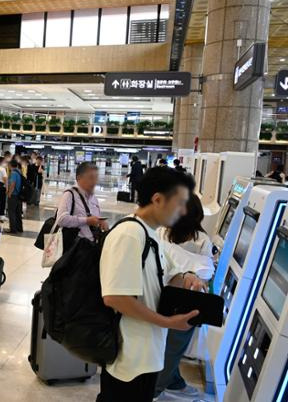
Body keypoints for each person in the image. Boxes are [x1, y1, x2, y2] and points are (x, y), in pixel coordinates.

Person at [98, 167, 206, 402]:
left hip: (146, 355)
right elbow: (116, 298)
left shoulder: (150, 233)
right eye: (179, 203)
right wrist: (168, 322)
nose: (183, 211)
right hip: (128, 360)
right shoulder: (128, 235)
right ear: (157, 199)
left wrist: (188, 276)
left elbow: (169, 273)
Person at [154, 193, 215, 400]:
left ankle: (173, 381)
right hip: (188, 301)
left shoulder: (162, 232)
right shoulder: (201, 240)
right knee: (174, 348)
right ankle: (156, 389)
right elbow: (206, 274)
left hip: (163, 296)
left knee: (168, 345)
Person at [56, 162, 108, 247]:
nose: (94, 182)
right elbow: (61, 220)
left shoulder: (93, 198)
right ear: (79, 178)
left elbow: (94, 218)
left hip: (90, 246)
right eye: (91, 178)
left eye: (96, 178)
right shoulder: (70, 195)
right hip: (74, 248)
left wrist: (100, 222)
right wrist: (86, 220)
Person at [6, 160, 23, 234]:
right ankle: (19, 228)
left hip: (14, 195)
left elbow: (13, 184)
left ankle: (13, 229)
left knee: (11, 212)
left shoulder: (13, 173)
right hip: (19, 195)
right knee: (17, 212)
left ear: (10, 165)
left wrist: (9, 193)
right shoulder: (19, 172)